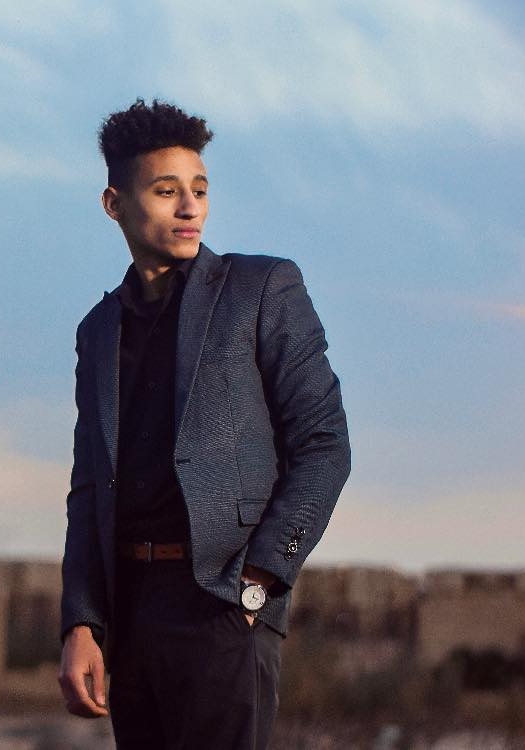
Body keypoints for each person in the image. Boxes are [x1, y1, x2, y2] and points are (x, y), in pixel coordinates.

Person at [58, 97, 351, 749]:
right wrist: (81, 622)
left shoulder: (262, 288)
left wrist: (261, 581)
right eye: (167, 191)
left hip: (223, 604)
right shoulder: (98, 331)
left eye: (200, 189)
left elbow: (325, 444)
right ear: (114, 204)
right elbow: (88, 488)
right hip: (130, 612)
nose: (190, 207)